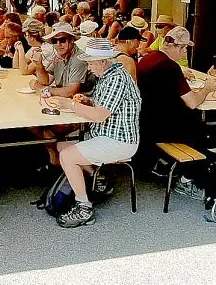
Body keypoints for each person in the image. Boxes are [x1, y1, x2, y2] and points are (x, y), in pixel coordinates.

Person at [49, 38, 141, 227]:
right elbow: (106, 106)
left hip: (119, 141)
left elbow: (100, 115)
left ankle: (84, 207)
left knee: (67, 156)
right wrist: (88, 101)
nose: (89, 68)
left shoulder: (116, 78)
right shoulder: (109, 75)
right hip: (106, 135)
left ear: (103, 61)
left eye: (91, 63)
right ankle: (96, 177)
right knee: (61, 145)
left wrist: (71, 105)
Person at [136, 27, 216, 197]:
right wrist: (207, 89)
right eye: (185, 48)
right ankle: (189, 178)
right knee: (205, 130)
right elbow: (192, 102)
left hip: (147, 122)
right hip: (167, 127)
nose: (185, 52)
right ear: (178, 47)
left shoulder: (148, 59)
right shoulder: (170, 67)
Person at [29, 22, 90, 165]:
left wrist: (43, 89)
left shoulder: (78, 59)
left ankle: (58, 161)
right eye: (54, 41)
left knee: (46, 131)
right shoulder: (59, 57)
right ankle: (55, 158)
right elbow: (46, 80)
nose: (58, 44)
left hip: (81, 110)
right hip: (63, 106)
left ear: (72, 40)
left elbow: (70, 91)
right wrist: (38, 66)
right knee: (32, 126)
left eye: (62, 40)